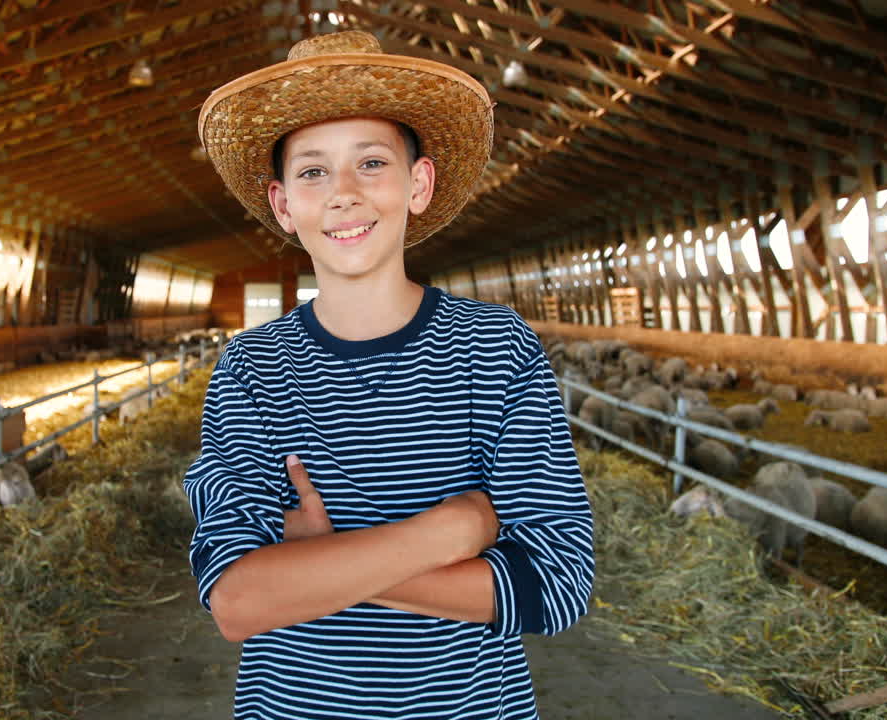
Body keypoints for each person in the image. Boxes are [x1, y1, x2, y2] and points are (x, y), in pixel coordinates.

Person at [183, 30, 594, 720]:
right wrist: (452, 531)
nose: (343, 193)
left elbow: (556, 587)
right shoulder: (251, 370)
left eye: (371, 162)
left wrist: (323, 564)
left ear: (419, 184)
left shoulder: (496, 351)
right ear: (284, 204)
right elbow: (237, 601)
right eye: (313, 171)